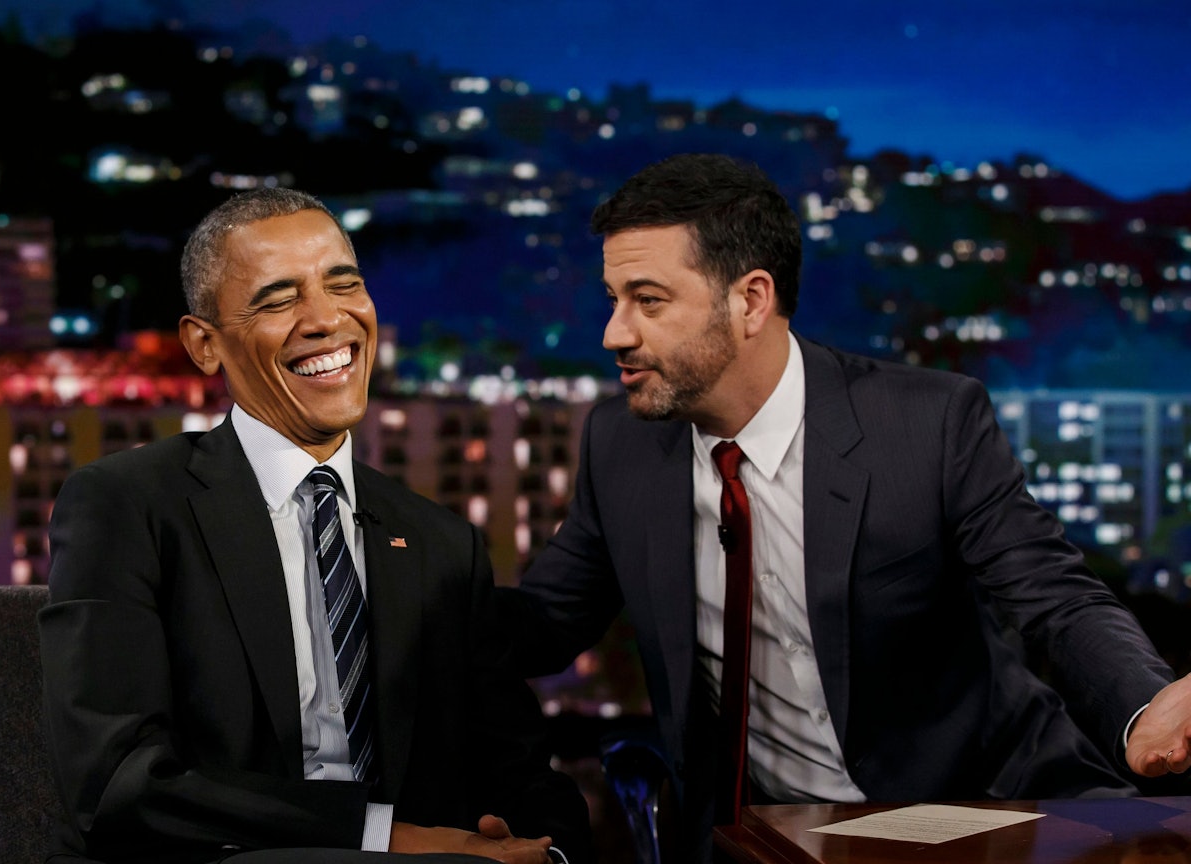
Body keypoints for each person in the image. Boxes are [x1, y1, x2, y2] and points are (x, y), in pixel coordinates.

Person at [501, 153, 1191, 860]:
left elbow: (1056, 599)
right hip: (767, 839)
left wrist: (1143, 707)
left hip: (979, 810)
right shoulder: (620, 445)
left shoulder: (927, 424)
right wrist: (422, 564)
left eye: (648, 302)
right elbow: (543, 624)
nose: (615, 333)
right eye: (613, 300)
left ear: (751, 301)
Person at [39, 188, 590, 864]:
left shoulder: (442, 543)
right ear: (205, 344)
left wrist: (548, 855)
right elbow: (118, 782)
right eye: (278, 300)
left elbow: (522, 772)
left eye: (344, 284)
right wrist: (381, 838)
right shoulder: (128, 506)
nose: (327, 319)